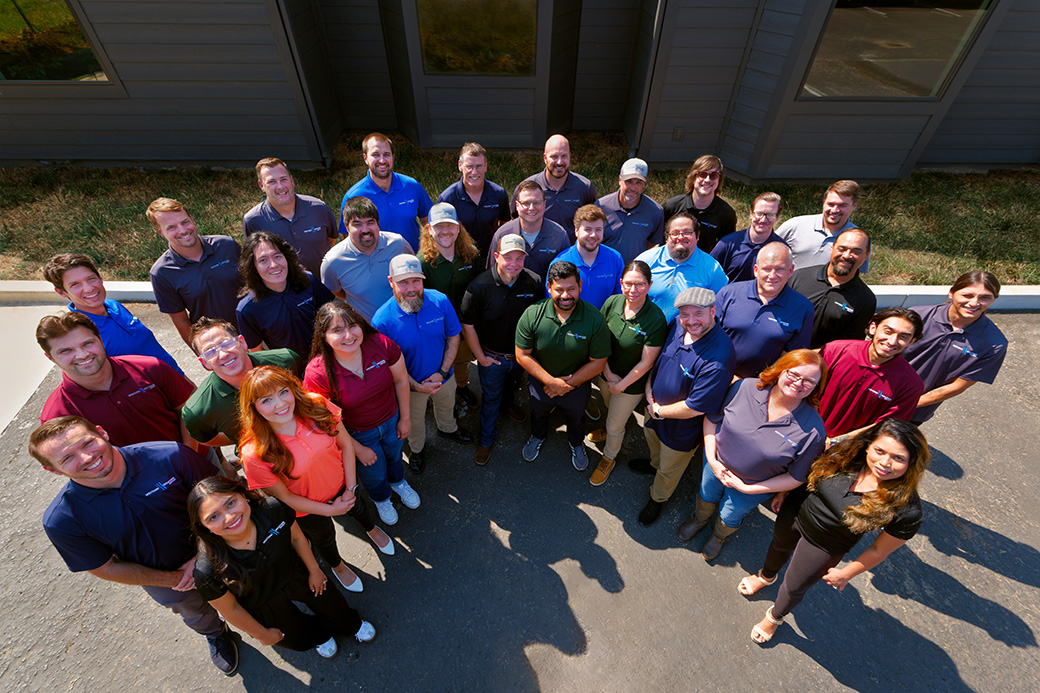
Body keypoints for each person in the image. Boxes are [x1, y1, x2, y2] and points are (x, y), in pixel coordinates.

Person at [32, 416, 239, 675]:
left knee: (250, 585)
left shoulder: (170, 455)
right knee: (196, 613)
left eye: (86, 443)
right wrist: (174, 578)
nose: (86, 458)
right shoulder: (62, 520)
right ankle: (217, 634)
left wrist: (203, 555)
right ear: (52, 469)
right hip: (171, 581)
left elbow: (225, 499)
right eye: (67, 458)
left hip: (223, 544)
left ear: (101, 431)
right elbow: (105, 567)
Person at [738, 419, 929, 644]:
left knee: (794, 586)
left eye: (898, 458)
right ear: (869, 445)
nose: (885, 462)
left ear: (912, 463)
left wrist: (847, 572)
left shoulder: (907, 509)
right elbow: (807, 473)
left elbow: (879, 550)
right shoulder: (845, 454)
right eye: (880, 450)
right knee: (778, 545)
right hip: (796, 511)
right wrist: (782, 492)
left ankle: (774, 617)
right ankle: (766, 576)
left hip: (826, 544)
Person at [238, 366, 395, 595]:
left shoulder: (316, 405)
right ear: (253, 408)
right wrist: (330, 511)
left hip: (345, 484)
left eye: (283, 392)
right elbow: (286, 497)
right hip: (309, 511)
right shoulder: (254, 453)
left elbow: (345, 445)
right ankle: (338, 566)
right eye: (266, 400)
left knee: (360, 508)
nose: (281, 404)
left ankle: (371, 529)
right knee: (325, 540)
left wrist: (351, 488)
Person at [189, 477, 376, 660]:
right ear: (204, 527)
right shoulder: (206, 571)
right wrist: (262, 634)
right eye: (213, 517)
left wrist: (315, 570)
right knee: (296, 638)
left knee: (332, 604)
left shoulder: (271, 509)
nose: (229, 517)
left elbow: (296, 538)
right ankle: (320, 637)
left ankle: (350, 626)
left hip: (294, 572)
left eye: (231, 503)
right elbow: (230, 609)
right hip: (261, 601)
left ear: (243, 495)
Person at [677, 350, 827, 561]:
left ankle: (718, 536)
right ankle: (699, 520)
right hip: (715, 463)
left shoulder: (814, 431)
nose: (798, 383)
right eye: (793, 374)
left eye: (809, 381)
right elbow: (712, 419)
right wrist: (712, 459)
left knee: (731, 514)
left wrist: (747, 488)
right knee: (706, 493)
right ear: (780, 369)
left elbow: (796, 477)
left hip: (754, 486)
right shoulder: (745, 387)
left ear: (816, 388)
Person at [304, 300, 416, 526]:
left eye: (352, 326)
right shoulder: (317, 373)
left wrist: (405, 418)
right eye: (337, 330)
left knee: (394, 457)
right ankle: (381, 498)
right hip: (357, 433)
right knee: (373, 472)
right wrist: (356, 448)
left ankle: (398, 482)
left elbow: (402, 380)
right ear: (324, 335)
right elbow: (327, 421)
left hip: (392, 418)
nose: (348, 335)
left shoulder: (380, 344)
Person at [634, 287, 735, 526]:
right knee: (654, 448)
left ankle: (658, 498)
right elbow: (659, 361)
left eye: (698, 314)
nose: (691, 321)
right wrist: (648, 392)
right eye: (685, 315)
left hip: (680, 429)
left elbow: (695, 407)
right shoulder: (677, 326)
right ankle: (653, 466)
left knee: (670, 469)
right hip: (654, 410)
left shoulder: (719, 356)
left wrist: (658, 411)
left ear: (713, 311)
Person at [371, 254, 473, 474]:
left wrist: (443, 372)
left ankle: (448, 428)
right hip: (409, 387)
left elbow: (453, 337)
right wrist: (416, 385)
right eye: (403, 282)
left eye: (416, 281)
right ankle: (416, 450)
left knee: (447, 405)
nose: (411, 288)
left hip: (443, 376)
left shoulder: (440, 301)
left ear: (423, 279)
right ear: (391, 282)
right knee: (414, 422)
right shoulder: (382, 320)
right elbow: (388, 364)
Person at [37, 312, 197, 450]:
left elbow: (190, 412)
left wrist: (189, 459)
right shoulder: (57, 414)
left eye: (87, 343)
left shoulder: (150, 368)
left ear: (99, 338)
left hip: (197, 462)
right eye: (66, 351)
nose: (82, 355)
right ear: (50, 358)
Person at [515, 261, 610, 471]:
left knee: (576, 417)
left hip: (577, 385)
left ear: (580, 286)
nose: (565, 295)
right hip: (541, 383)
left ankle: (576, 442)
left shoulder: (594, 319)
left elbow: (598, 362)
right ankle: (537, 436)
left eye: (571, 289)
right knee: (539, 413)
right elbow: (522, 354)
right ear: (549, 287)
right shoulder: (533, 314)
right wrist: (550, 382)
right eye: (559, 289)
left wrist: (568, 385)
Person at [459, 234, 542, 465]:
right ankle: (486, 439)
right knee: (490, 398)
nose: (514, 264)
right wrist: (480, 358)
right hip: (492, 358)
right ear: (496, 257)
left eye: (519, 258)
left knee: (512, 387)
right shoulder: (479, 286)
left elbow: (538, 318)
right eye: (508, 258)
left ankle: (509, 406)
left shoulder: (534, 281)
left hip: (521, 356)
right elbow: (468, 324)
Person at [585, 261, 667, 486]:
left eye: (639, 284)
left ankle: (609, 458)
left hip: (630, 385)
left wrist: (621, 385)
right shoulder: (612, 302)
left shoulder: (656, 319)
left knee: (614, 425)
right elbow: (598, 337)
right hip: (606, 375)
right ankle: (611, 427)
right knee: (609, 406)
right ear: (621, 283)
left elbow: (646, 361)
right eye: (628, 284)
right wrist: (608, 373)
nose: (633, 290)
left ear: (649, 285)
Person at [43, 252, 183, 374]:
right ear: (62, 292)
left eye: (91, 279)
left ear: (100, 278)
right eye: (75, 285)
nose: (88, 288)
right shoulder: (79, 331)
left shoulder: (114, 305)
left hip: (176, 376)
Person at [902, 271, 1008, 425]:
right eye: (967, 295)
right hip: (877, 394)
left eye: (985, 297)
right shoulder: (917, 315)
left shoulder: (994, 344)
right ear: (951, 293)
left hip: (914, 412)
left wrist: (908, 404)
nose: (974, 303)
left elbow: (957, 386)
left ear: (993, 300)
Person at [182, 318, 302, 450]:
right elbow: (208, 439)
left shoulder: (285, 361)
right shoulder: (198, 411)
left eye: (226, 344)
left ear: (242, 342)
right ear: (204, 362)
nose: (222, 354)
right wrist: (245, 440)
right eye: (210, 352)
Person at [817, 307, 925, 442]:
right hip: (803, 430)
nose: (892, 341)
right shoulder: (835, 350)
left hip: (847, 448)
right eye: (888, 331)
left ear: (912, 341)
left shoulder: (911, 385)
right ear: (873, 328)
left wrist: (836, 442)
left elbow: (886, 427)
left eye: (903, 337)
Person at [147, 197, 242, 347]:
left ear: (191, 219)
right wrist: (201, 353)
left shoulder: (227, 245)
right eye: (171, 227)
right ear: (160, 232)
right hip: (220, 346)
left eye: (185, 222)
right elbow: (181, 321)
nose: (183, 230)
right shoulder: (162, 273)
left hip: (258, 330)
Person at [418, 202, 483, 411]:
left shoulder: (472, 255)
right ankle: (435, 394)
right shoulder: (423, 262)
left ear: (458, 228)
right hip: (435, 327)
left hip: (465, 325)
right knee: (436, 363)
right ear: (429, 229)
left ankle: (462, 386)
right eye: (439, 226)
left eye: (450, 226)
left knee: (461, 360)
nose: (445, 231)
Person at [714, 242, 814, 379]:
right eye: (766, 269)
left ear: (791, 271)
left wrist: (762, 380)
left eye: (780, 269)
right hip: (713, 373)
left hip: (757, 384)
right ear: (756, 270)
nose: (772, 276)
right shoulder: (729, 293)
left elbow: (791, 356)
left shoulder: (803, 309)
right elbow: (708, 333)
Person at [236, 231, 334, 358]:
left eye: (277, 256)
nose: (273, 265)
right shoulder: (247, 309)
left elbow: (334, 316)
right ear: (253, 267)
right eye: (263, 260)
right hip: (293, 371)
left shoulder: (308, 281)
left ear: (286, 256)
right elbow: (258, 354)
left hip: (330, 357)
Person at [320, 196, 414, 322]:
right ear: (347, 228)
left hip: (406, 321)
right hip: (369, 330)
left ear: (378, 224)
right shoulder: (332, 262)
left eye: (370, 223)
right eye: (357, 224)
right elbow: (338, 293)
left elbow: (414, 276)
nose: (365, 230)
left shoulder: (398, 244)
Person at [243, 157, 339, 277]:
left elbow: (330, 239)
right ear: (261, 186)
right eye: (271, 182)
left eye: (283, 179)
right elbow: (257, 258)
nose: (280, 186)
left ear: (292, 180)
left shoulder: (318, 208)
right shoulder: (253, 220)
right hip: (287, 292)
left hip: (326, 284)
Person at [340, 132, 432, 250]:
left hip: (412, 261)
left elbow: (428, 222)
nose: (382, 160)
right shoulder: (354, 197)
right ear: (365, 158)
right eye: (376, 155)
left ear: (393, 157)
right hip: (377, 264)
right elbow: (349, 240)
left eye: (386, 154)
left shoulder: (411, 186)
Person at [788, 229, 875, 348]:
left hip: (817, 362)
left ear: (867, 255)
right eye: (842, 249)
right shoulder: (799, 276)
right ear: (832, 248)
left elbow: (847, 346)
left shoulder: (865, 300)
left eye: (856, 251)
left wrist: (806, 358)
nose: (846, 255)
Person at [634, 213, 727, 325]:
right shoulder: (646, 260)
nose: (681, 237)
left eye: (687, 232)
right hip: (646, 330)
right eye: (675, 233)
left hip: (688, 335)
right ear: (667, 237)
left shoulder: (713, 269)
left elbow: (720, 308)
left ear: (697, 236)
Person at [510, 134, 597, 238]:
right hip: (537, 251)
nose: (559, 162)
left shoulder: (585, 188)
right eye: (554, 157)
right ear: (545, 158)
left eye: (564, 156)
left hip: (571, 251)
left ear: (570, 156)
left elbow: (594, 222)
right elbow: (513, 220)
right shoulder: (527, 189)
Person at [436, 142, 511, 257]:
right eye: (469, 167)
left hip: (491, 257)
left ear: (485, 166)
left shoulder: (498, 194)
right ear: (460, 166)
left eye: (479, 166)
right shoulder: (447, 198)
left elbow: (505, 225)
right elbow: (440, 233)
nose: (474, 172)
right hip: (460, 258)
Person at [488, 181, 569, 285]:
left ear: (544, 204)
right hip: (509, 297)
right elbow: (491, 271)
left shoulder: (559, 235)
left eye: (537, 203)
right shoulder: (502, 234)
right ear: (517, 206)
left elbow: (566, 274)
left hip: (546, 297)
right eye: (526, 203)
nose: (531, 208)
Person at [549, 204, 625, 310]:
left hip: (604, 324)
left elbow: (621, 300)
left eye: (598, 229)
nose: (593, 235)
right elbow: (553, 305)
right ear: (576, 231)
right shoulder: (560, 262)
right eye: (588, 229)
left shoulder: (615, 258)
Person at [776, 180, 861, 271]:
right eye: (830, 204)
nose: (834, 210)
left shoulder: (858, 238)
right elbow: (767, 251)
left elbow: (855, 273)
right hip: (791, 284)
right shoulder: (795, 225)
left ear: (854, 206)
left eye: (842, 205)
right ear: (824, 202)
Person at [661, 155, 737, 253]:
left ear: (719, 180)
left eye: (713, 175)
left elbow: (726, 249)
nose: (707, 180)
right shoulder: (671, 206)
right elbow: (656, 238)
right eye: (702, 175)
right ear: (693, 178)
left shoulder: (726, 214)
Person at [596, 157, 664, 263]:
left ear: (644, 184)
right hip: (604, 266)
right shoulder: (601, 206)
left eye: (638, 183)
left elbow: (653, 244)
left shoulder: (655, 211)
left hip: (634, 272)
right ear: (620, 180)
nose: (633, 188)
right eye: (629, 182)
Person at [710, 192, 787, 283]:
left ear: (777, 217)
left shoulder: (782, 251)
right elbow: (707, 273)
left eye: (770, 215)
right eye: (759, 213)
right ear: (751, 214)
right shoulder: (728, 243)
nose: (763, 220)